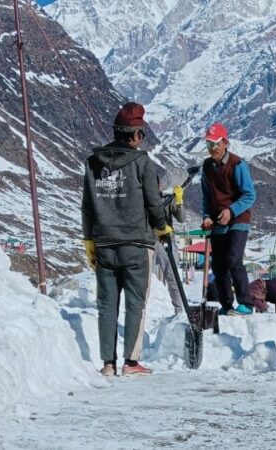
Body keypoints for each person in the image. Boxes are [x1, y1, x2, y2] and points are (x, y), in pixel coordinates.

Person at [81, 102, 173, 377]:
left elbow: (87, 205)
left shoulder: (93, 162)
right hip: (136, 244)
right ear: (134, 135)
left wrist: (89, 241)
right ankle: (131, 363)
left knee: (107, 305)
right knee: (136, 303)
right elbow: (153, 202)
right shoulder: (141, 162)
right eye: (141, 134)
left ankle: (108, 363)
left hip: (104, 243)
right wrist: (162, 228)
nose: (141, 139)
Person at [200, 122, 257, 315]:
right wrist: (207, 216)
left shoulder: (238, 164)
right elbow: (206, 196)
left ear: (225, 143)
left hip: (238, 219)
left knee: (233, 258)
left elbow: (249, 195)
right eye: (209, 144)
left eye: (216, 144)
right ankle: (226, 304)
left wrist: (231, 211)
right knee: (218, 265)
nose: (212, 148)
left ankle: (246, 303)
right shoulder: (207, 167)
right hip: (217, 221)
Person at [151, 179, 186, 315]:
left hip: (166, 240)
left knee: (172, 276)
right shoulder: (141, 201)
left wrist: (179, 202)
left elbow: (182, 218)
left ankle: (179, 311)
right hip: (148, 240)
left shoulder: (168, 199)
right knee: (144, 277)